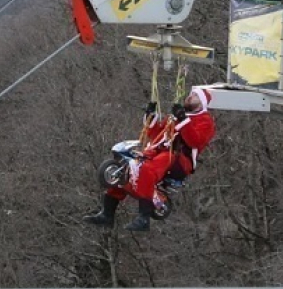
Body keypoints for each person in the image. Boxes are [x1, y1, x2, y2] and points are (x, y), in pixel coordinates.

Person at [83, 86, 217, 232]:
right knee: (128, 169)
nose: (190, 97)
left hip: (179, 157)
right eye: (190, 94)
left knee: (147, 169)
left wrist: (183, 120)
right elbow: (157, 135)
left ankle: (143, 217)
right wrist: (150, 117)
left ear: (201, 103)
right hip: (160, 150)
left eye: (195, 96)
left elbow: (195, 141)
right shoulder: (176, 116)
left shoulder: (205, 121)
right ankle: (107, 214)